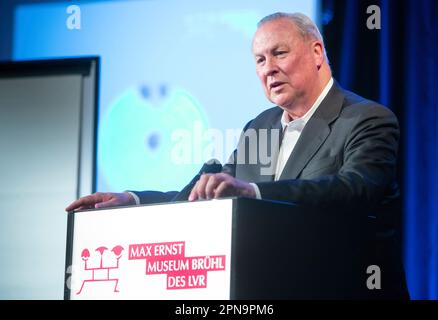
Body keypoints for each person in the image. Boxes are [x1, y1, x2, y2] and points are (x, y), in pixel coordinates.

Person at [66, 12, 408, 298]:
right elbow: (204, 194)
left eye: (279, 53)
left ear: (317, 52)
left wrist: (254, 193)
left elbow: (354, 189)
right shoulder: (258, 127)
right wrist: (132, 200)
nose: (268, 68)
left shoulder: (367, 118)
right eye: (260, 59)